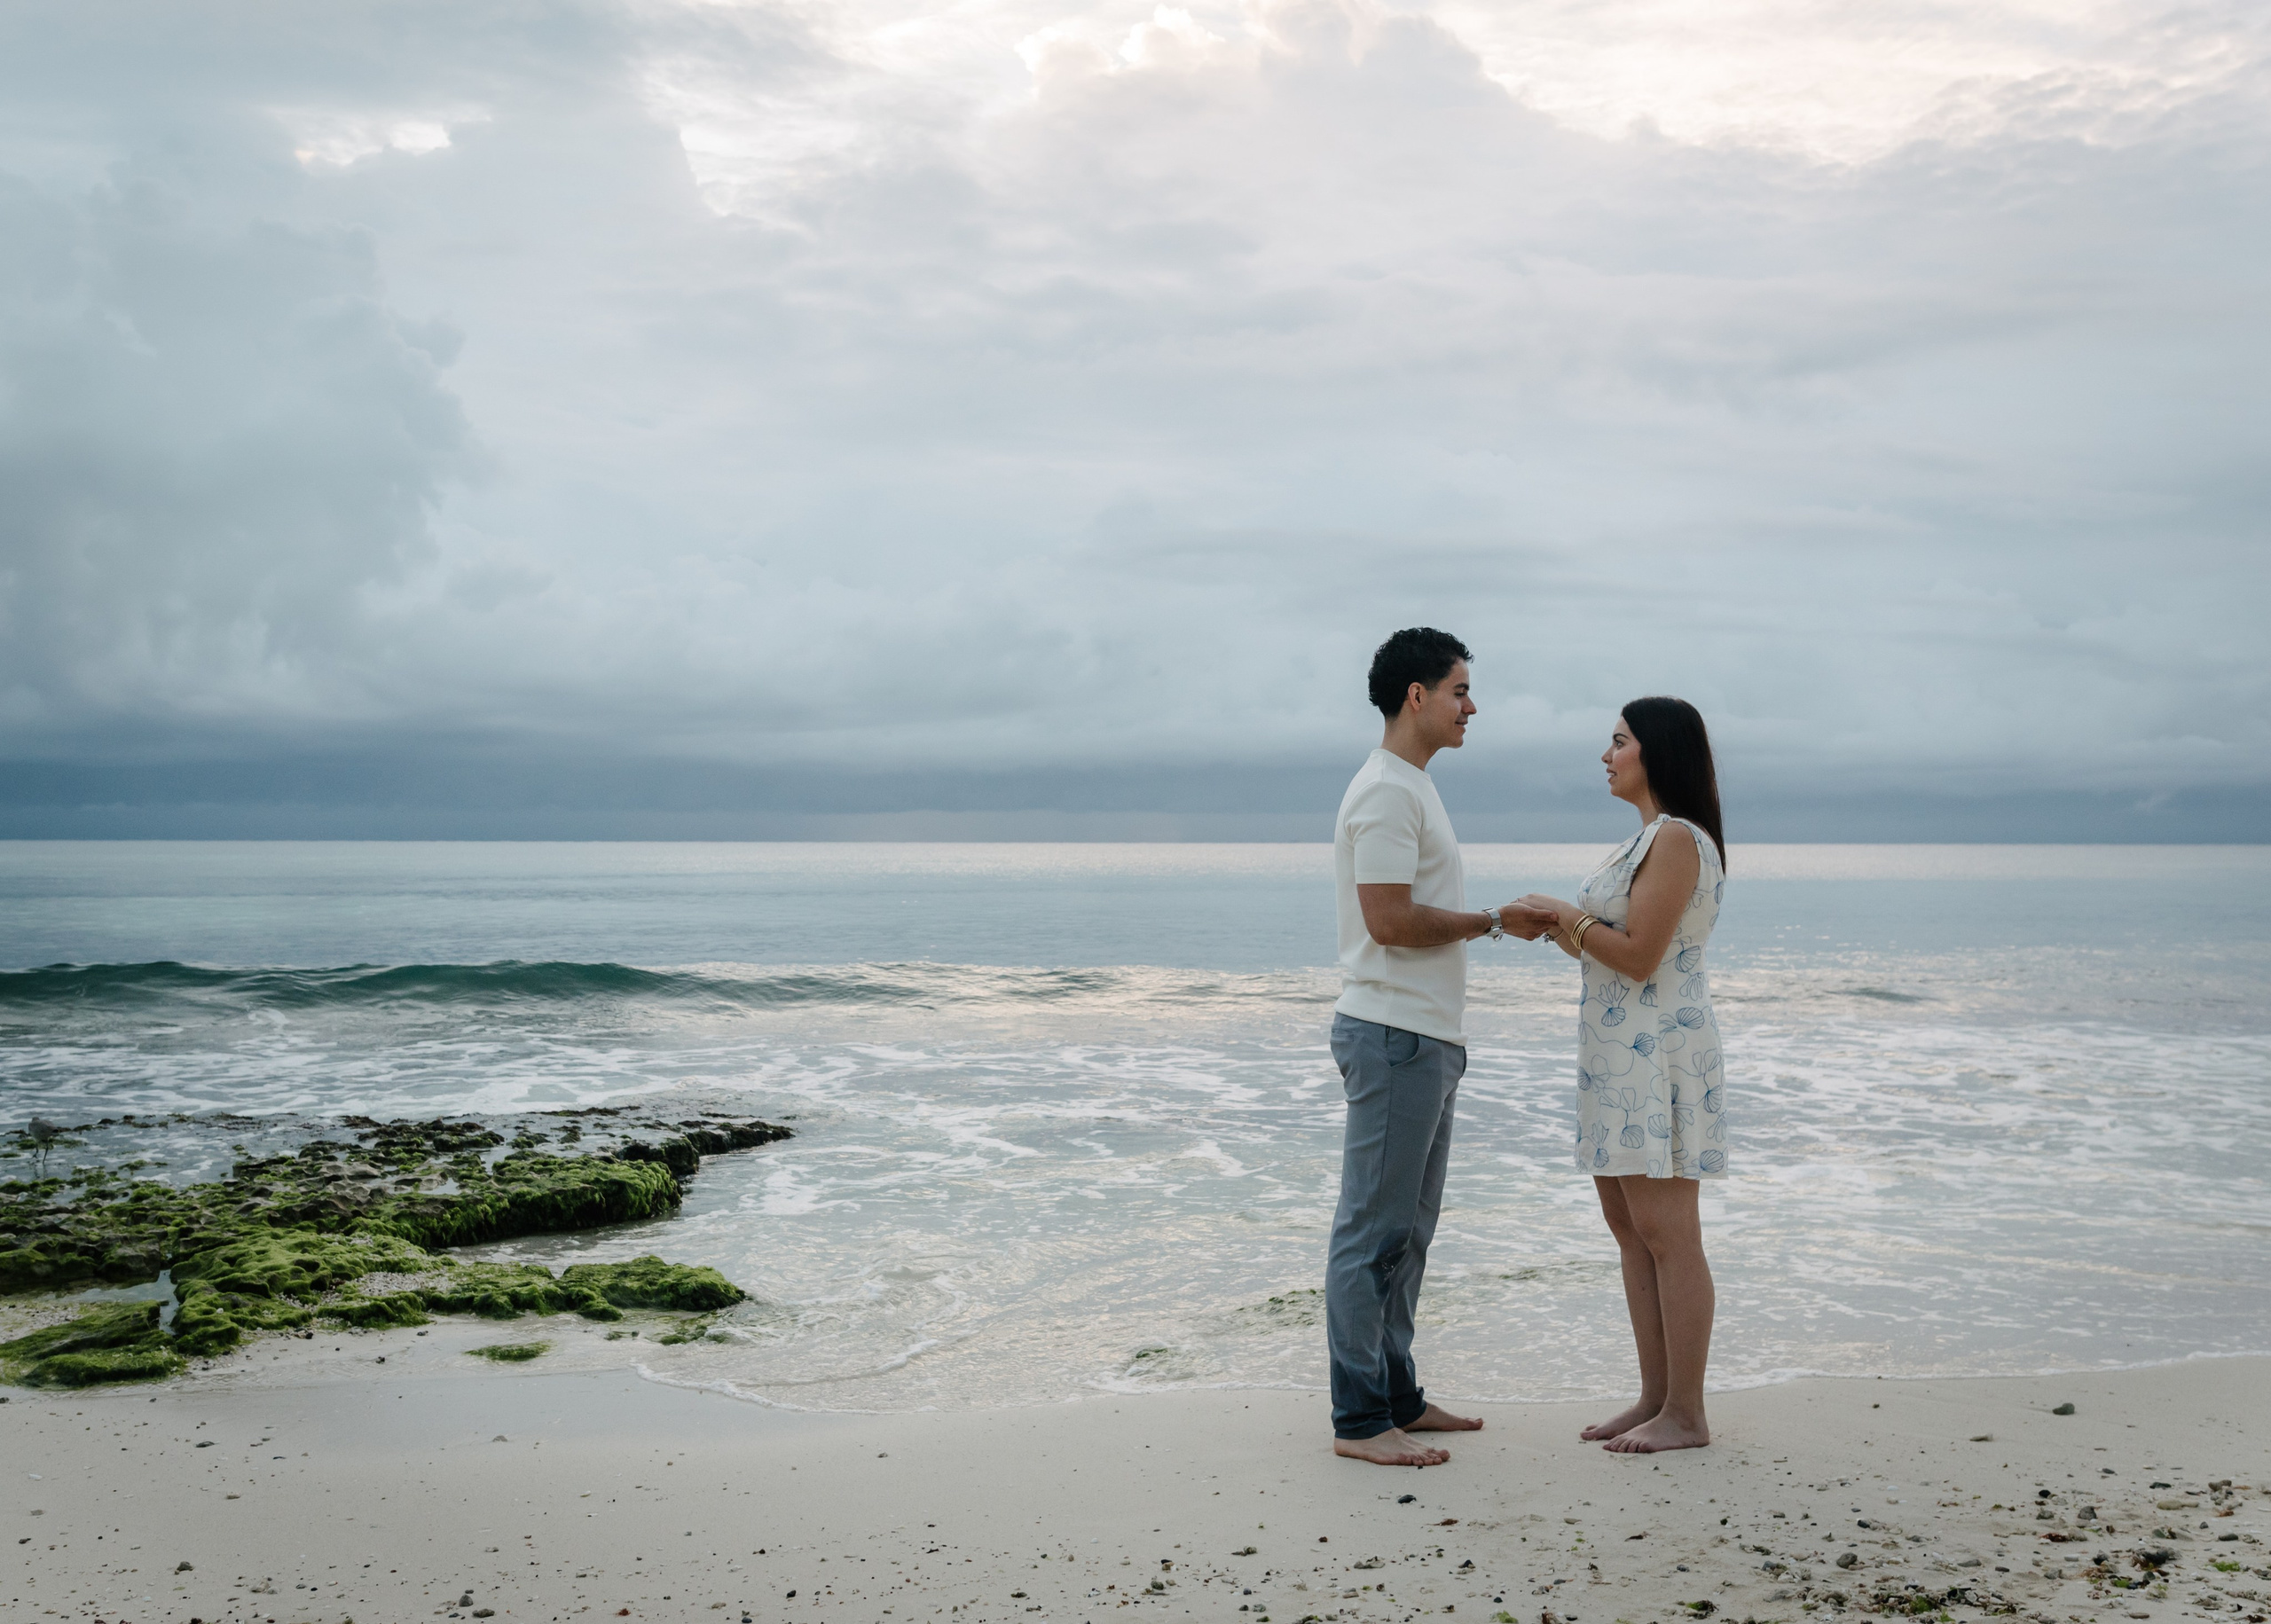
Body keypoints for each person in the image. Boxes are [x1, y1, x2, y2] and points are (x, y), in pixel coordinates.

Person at [1327, 628, 1556, 1467]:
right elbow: (1389, 920)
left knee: (1409, 1232)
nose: (1472, 705)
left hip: (1425, 1036)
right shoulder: (1387, 791)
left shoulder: (1411, 786)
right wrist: (1495, 920)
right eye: (1460, 688)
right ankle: (1359, 1421)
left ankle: (1398, 1397)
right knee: (1371, 1231)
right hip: (1394, 1034)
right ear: (1416, 696)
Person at [1520, 696, 1728, 1454]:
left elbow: (1640, 954)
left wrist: (1563, 915)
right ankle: (1655, 1395)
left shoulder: (1675, 838)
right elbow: (1615, 946)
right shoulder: (1643, 840)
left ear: (1656, 752)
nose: (1606, 756)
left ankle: (1688, 1412)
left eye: (1618, 742)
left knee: (1669, 1231)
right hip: (1618, 1052)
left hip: (1660, 1052)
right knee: (1629, 1229)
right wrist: (1554, 924)